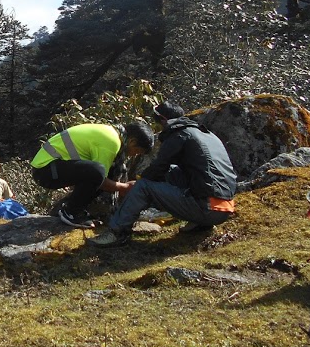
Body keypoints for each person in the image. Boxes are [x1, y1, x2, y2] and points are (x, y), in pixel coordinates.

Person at [90, 101, 237, 247]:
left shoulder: (179, 134)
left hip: (207, 208)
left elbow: (158, 167)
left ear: (164, 120)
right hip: (225, 208)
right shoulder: (206, 134)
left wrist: (135, 184)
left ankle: (117, 232)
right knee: (172, 171)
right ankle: (200, 223)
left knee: (143, 186)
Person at [31, 121, 155, 229]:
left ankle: (77, 209)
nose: (134, 155)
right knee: (98, 171)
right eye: (137, 151)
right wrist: (124, 188)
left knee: (102, 172)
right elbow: (100, 179)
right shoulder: (112, 142)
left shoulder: (111, 132)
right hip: (45, 170)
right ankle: (70, 212)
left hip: (50, 169)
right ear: (132, 141)